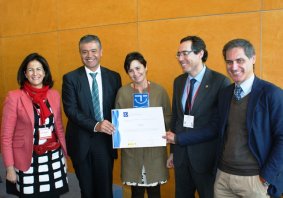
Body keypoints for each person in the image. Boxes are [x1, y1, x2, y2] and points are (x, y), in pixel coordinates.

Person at [164, 38, 283, 198]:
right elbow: (215, 127)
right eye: (229, 62)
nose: (234, 67)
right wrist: (177, 142)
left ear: (253, 58)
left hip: (253, 179)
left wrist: (266, 177)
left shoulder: (272, 94)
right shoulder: (227, 93)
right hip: (223, 176)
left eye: (240, 60)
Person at [167, 36, 230, 198]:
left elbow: (216, 127)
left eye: (185, 53)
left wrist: (179, 139)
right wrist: (173, 151)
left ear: (200, 53)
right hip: (181, 158)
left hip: (205, 159)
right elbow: (176, 118)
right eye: (178, 54)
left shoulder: (220, 82)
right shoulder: (179, 82)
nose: (180, 58)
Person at [1, 53, 69, 197]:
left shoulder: (54, 95)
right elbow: (6, 137)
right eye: (30, 70)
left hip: (53, 157)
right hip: (28, 160)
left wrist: (64, 155)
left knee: (53, 195)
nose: (35, 73)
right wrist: (9, 168)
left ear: (45, 72)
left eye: (39, 69)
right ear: (25, 73)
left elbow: (59, 128)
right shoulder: (14, 97)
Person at [62, 34, 122, 198]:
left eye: (93, 51)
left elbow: (119, 108)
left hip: (105, 141)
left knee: (105, 191)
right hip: (81, 142)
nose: (89, 56)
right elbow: (71, 110)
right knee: (87, 192)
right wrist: (96, 125)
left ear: (101, 52)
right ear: (80, 53)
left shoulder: (114, 77)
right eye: (84, 52)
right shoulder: (70, 78)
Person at [114, 52, 171, 198]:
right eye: (131, 70)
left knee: (154, 193)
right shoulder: (123, 93)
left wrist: (154, 123)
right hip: (133, 155)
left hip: (155, 154)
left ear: (146, 67)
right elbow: (118, 123)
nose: (135, 73)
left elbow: (169, 118)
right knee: (136, 193)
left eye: (138, 68)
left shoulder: (159, 91)